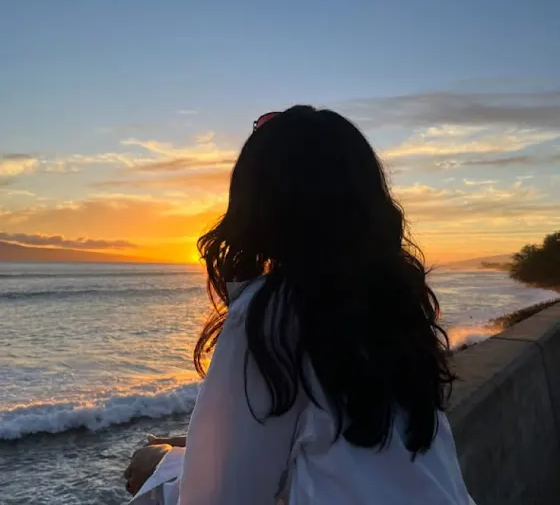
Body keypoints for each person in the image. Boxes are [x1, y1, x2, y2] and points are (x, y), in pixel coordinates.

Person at [124, 106, 475, 504]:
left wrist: (161, 467)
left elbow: (223, 497)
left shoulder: (273, 313)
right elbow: (343, 447)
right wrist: (197, 449)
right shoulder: (394, 305)